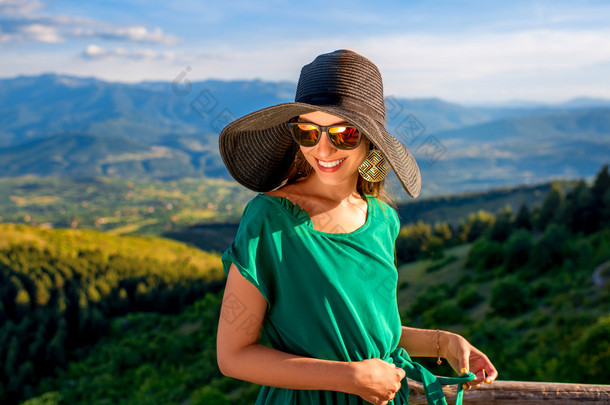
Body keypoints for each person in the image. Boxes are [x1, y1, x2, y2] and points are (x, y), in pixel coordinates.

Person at [216, 49, 497, 405]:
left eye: (343, 134)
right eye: (307, 131)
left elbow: (366, 331)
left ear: (370, 141)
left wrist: (442, 343)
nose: (323, 148)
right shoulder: (269, 219)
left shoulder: (383, 220)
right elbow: (233, 355)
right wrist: (349, 378)